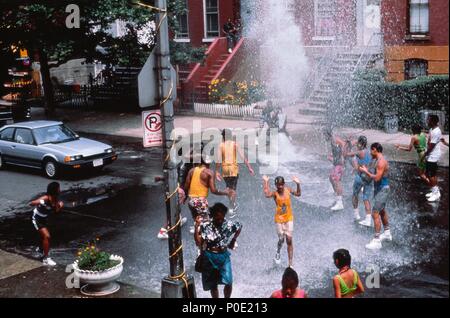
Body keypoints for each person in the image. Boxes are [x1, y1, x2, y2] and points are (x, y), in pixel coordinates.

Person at [194, 202, 242, 298]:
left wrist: (233, 240)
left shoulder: (228, 225)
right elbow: (198, 242)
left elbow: (239, 226)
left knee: (229, 281)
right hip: (209, 256)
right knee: (213, 284)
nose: (220, 220)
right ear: (213, 216)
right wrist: (196, 228)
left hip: (223, 256)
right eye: (217, 218)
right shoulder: (206, 226)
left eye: (222, 217)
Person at [215, 129, 255, 218]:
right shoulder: (235, 144)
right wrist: (249, 167)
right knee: (232, 190)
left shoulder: (221, 145)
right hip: (233, 169)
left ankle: (232, 204)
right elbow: (243, 157)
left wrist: (217, 171)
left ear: (223, 136)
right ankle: (231, 208)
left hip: (225, 170)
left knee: (229, 189)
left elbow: (218, 160)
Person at [263, 175, 301, 267]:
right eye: (277, 185)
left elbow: (298, 194)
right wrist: (266, 182)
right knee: (281, 239)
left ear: (283, 184)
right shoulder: (275, 193)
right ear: (276, 185)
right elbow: (267, 194)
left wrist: (298, 184)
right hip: (279, 220)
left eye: (281, 184)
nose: (279, 186)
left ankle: (290, 264)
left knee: (289, 239)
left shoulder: (288, 190)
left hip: (289, 218)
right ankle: (278, 251)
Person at [185, 155, 230, 234]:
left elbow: (186, 186)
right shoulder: (209, 172)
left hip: (191, 201)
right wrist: (225, 192)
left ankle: (198, 232)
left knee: (198, 220)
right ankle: (212, 240)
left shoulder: (192, 170)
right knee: (209, 224)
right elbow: (214, 190)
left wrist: (185, 197)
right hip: (200, 202)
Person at [359, 143, 392, 250]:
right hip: (379, 189)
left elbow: (377, 178)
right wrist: (366, 170)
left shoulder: (381, 162)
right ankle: (387, 233)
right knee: (382, 211)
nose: (370, 152)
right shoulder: (376, 160)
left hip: (383, 189)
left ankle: (377, 240)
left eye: (371, 150)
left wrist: (365, 172)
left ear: (375, 150)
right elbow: (373, 173)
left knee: (375, 213)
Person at [30, 182, 64, 266]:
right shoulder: (45, 198)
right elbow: (31, 203)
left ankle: (40, 249)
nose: (60, 190)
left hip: (44, 219)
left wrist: (60, 206)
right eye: (58, 188)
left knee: (43, 236)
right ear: (54, 190)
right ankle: (46, 259)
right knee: (47, 236)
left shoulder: (55, 199)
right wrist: (40, 202)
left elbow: (56, 211)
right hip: (36, 218)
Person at [348, 136, 373, 226]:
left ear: (360, 143)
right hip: (368, 178)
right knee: (366, 198)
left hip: (360, 177)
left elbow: (347, 154)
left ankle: (356, 215)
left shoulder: (360, 152)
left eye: (358, 143)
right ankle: (368, 219)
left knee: (355, 195)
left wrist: (350, 144)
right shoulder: (370, 152)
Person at [324, 128, 347, 211]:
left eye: (325, 135)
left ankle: (340, 202)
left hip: (339, 164)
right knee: (331, 178)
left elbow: (344, 144)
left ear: (328, 134)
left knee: (337, 181)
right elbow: (338, 149)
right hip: (336, 163)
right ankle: (337, 195)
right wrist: (332, 155)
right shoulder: (332, 140)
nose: (324, 138)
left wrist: (342, 156)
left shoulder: (335, 139)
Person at [424, 115, 442, 202]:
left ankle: (436, 193)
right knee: (430, 174)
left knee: (431, 174)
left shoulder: (436, 132)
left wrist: (425, 154)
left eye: (428, 120)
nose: (427, 121)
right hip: (431, 155)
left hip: (433, 155)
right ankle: (435, 191)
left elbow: (431, 146)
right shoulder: (432, 129)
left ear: (433, 122)